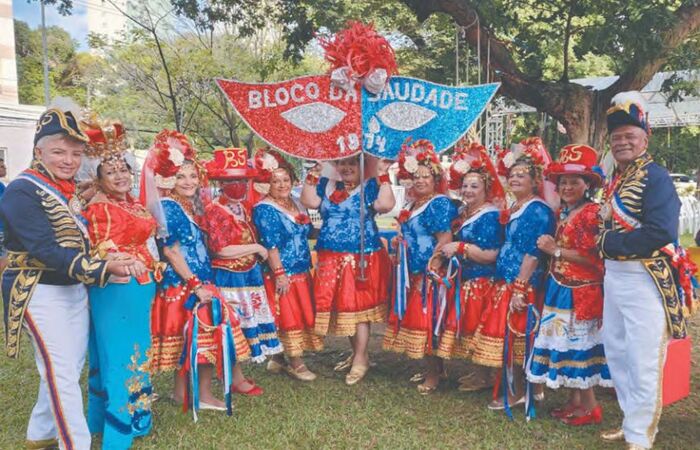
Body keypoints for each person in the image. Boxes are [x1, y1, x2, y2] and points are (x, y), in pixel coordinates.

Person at [0, 102, 134, 450]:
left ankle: (39, 434)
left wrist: (104, 255)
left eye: (75, 153)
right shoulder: (22, 191)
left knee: (66, 371)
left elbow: (78, 240)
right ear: (38, 150)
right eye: (59, 152)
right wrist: (103, 268)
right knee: (61, 375)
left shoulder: (66, 189)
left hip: (73, 289)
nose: (68, 160)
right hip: (39, 292)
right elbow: (47, 250)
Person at [598, 92, 690, 449]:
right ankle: (630, 419)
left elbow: (660, 232)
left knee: (643, 357)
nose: (622, 142)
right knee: (618, 353)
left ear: (644, 138)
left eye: (629, 136)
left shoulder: (656, 177)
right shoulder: (617, 179)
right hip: (615, 277)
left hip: (645, 277)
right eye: (617, 137)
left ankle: (640, 436)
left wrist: (607, 244)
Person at [146, 131, 250, 413]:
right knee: (203, 337)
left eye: (193, 176)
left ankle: (181, 393)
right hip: (186, 283)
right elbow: (171, 251)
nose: (189, 182)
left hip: (193, 280)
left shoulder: (186, 206)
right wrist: (195, 285)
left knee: (187, 339)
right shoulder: (169, 206)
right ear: (168, 179)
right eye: (181, 176)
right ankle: (203, 394)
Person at [80, 117, 160, 448]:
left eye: (123, 169)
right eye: (110, 171)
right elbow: (102, 248)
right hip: (117, 287)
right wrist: (132, 260)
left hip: (139, 288)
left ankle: (124, 419)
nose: (120, 175)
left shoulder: (127, 203)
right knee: (121, 355)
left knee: (130, 352)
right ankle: (118, 432)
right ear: (98, 177)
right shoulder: (99, 207)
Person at [526, 144, 612, 426]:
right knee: (565, 344)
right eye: (562, 182)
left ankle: (591, 407)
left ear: (587, 184)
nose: (566, 186)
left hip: (580, 292)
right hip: (560, 289)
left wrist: (556, 251)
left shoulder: (592, 213)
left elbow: (597, 259)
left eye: (574, 181)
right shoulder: (567, 212)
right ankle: (575, 401)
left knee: (578, 346)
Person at [300, 154, 395, 385]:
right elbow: (309, 201)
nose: (347, 167)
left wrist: (383, 173)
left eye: (352, 163)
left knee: (360, 309)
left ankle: (361, 358)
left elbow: (386, 205)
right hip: (330, 257)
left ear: (363, 165)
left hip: (362, 258)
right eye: (342, 163)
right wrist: (315, 172)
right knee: (345, 308)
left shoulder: (371, 186)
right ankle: (358, 354)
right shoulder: (326, 184)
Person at [203, 147, 283, 396]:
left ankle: (235, 375)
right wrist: (256, 247)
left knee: (246, 322)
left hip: (248, 274)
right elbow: (220, 249)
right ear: (220, 183)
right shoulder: (215, 210)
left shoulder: (242, 207)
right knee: (233, 324)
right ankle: (233, 377)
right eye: (230, 181)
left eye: (241, 180)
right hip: (229, 277)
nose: (237, 185)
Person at [382, 139, 457, 394]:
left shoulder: (438, 204)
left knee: (428, 321)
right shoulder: (412, 205)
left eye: (426, 176)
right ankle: (435, 368)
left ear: (436, 179)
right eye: (416, 176)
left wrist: (433, 269)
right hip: (411, 271)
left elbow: (444, 239)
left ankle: (434, 374)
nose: (420, 181)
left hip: (429, 274)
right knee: (422, 321)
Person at [488, 137, 556, 411]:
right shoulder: (516, 206)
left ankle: (519, 391)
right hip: (509, 279)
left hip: (523, 283)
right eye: (512, 174)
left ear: (535, 180)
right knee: (514, 337)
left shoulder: (537, 210)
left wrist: (520, 287)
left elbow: (532, 251)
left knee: (519, 337)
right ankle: (532, 389)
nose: (514, 178)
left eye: (522, 175)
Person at [437, 142, 505, 392]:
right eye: (464, 186)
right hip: (467, 279)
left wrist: (461, 248)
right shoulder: (466, 212)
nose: (467, 190)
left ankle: (485, 376)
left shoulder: (489, 216)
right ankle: (479, 374)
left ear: (486, 189)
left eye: (474, 186)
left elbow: (491, 254)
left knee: (479, 327)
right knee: (470, 326)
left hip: (482, 281)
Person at [252, 149, 324, 381]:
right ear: (267, 184)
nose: (282, 184)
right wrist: (280, 273)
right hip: (282, 272)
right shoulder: (264, 209)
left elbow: (308, 230)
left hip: (301, 268)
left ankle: (279, 358)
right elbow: (271, 245)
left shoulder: (295, 202)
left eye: (285, 180)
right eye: (275, 181)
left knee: (297, 315)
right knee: (288, 317)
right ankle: (296, 363)